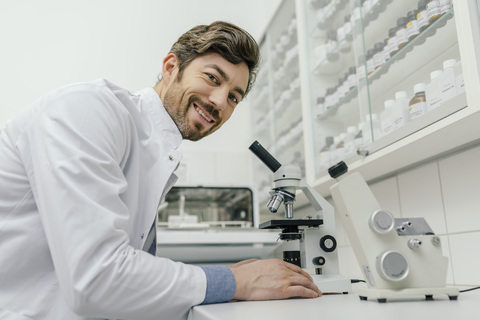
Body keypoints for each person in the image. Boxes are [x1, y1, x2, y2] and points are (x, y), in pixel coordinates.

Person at [0, 21, 321, 320]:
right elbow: (97, 277)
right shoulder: (87, 110)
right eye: (213, 77)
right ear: (171, 68)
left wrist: (237, 276)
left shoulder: (155, 150)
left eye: (234, 97)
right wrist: (233, 280)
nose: (221, 101)